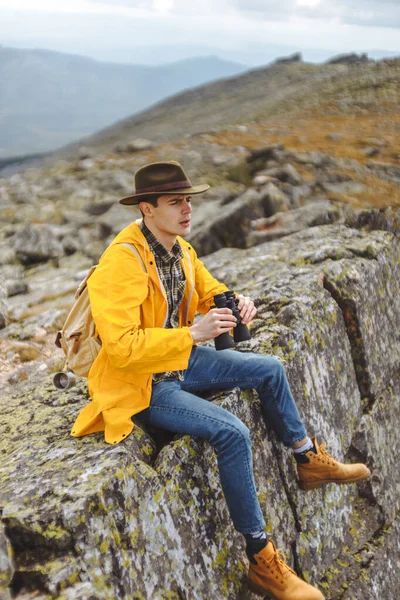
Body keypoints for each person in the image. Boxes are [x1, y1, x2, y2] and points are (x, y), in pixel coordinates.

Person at [71, 161, 371, 600]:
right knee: (232, 432)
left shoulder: (179, 250)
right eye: (175, 202)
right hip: (141, 385)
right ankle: (263, 560)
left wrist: (238, 303)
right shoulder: (122, 261)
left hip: (180, 361)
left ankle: (308, 459)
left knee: (269, 368)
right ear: (147, 209)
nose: (187, 209)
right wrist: (193, 333)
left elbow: (209, 288)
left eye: (189, 200)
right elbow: (121, 348)